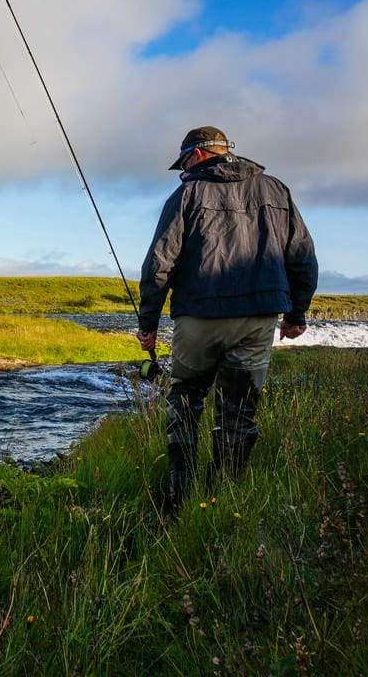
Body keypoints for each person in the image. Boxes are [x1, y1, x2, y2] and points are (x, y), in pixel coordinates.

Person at [135, 126, 318, 513]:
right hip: (258, 319)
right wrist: (295, 314)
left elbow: (159, 263)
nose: (183, 170)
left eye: (184, 162)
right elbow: (302, 255)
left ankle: (181, 499)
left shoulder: (187, 194)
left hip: (199, 315)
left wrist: (148, 323)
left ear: (198, 155)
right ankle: (223, 501)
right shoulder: (276, 190)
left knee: (185, 399)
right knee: (239, 410)